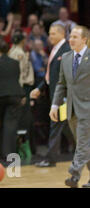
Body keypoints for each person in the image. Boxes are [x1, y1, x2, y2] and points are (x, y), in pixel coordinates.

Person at [50, 25, 90, 188]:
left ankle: (74, 175)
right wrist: (54, 105)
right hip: (71, 108)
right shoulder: (66, 57)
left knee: (82, 143)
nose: (70, 40)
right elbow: (61, 84)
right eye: (70, 36)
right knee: (85, 144)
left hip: (88, 108)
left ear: (84, 39)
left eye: (74, 37)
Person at [30, 24, 72, 167]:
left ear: (62, 34)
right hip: (55, 95)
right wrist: (40, 88)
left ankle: (50, 158)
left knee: (58, 126)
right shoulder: (54, 49)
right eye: (49, 33)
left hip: (64, 97)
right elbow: (51, 75)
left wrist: (64, 96)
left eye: (53, 34)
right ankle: (52, 157)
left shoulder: (67, 49)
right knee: (65, 127)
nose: (50, 37)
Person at [0, 40, 25, 159]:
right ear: (9, 50)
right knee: (10, 124)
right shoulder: (15, 63)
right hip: (14, 94)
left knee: (0, 122)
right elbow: (17, 77)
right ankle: (9, 153)